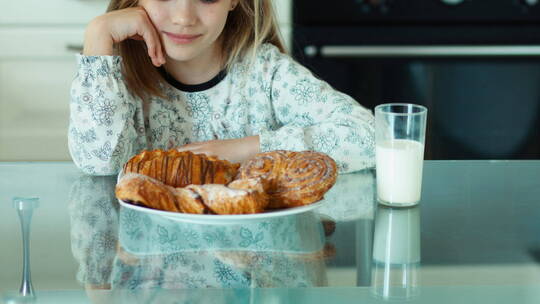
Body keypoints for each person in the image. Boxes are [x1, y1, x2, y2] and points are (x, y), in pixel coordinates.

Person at [68, 0, 375, 176]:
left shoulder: (266, 72)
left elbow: (371, 137)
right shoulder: (112, 77)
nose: (183, 18)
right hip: (153, 274)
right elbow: (98, 164)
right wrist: (98, 34)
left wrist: (245, 149)